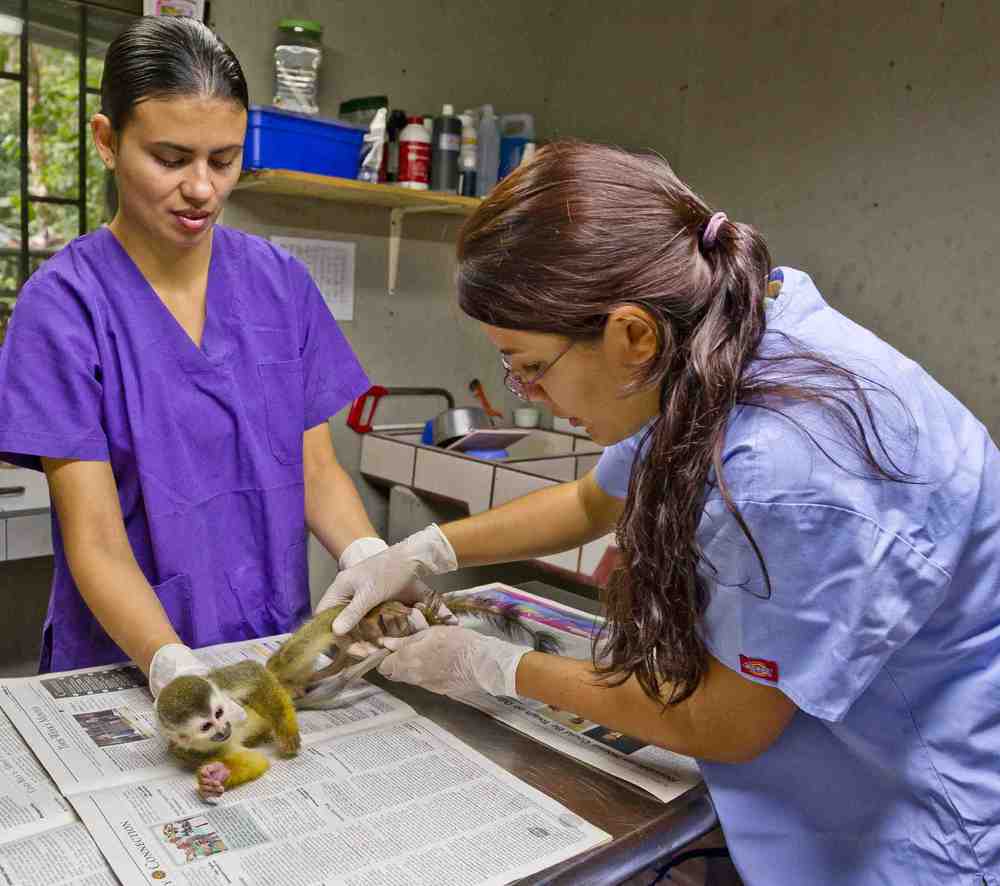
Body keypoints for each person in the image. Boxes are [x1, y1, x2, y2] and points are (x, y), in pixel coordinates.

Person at [321, 142, 1000, 883]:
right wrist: (420, 551)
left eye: (530, 366)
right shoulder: (706, 337)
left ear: (631, 335)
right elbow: (592, 500)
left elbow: (725, 722)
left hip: (910, 813)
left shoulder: (789, 467)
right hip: (806, 778)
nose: (524, 393)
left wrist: (492, 663)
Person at [0, 17, 394, 693]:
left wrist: (369, 558)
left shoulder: (280, 284)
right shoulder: (64, 308)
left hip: (267, 640)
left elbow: (317, 470)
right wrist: (171, 666)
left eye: (224, 159)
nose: (203, 189)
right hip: (125, 658)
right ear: (106, 141)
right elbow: (92, 538)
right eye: (172, 158)